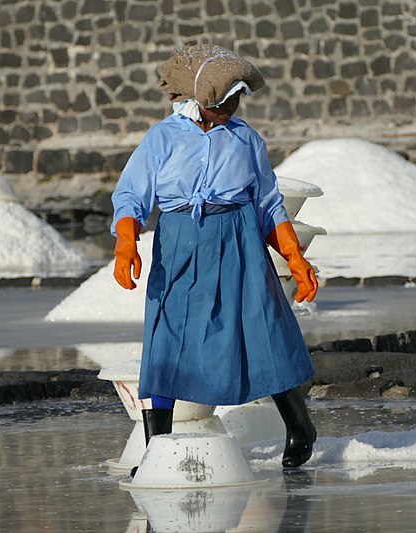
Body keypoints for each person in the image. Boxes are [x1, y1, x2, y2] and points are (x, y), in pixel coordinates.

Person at [110, 44, 318, 469]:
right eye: (224, 101)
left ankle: (300, 425)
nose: (231, 108)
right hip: (180, 242)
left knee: (261, 330)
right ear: (202, 99)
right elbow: (131, 194)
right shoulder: (163, 138)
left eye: (236, 100)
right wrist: (126, 242)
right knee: (166, 338)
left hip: (238, 240)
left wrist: (294, 257)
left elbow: (268, 205)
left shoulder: (246, 141)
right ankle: (155, 451)